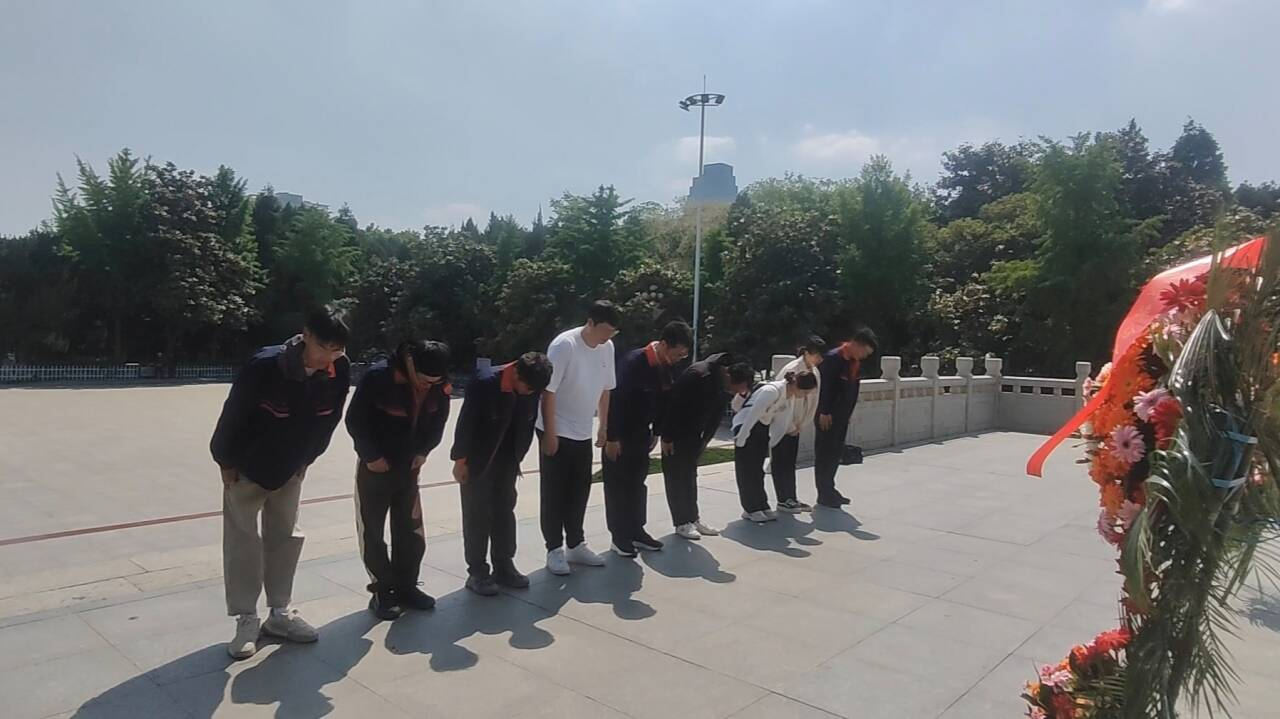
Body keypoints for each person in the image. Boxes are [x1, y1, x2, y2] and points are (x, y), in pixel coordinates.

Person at [210, 307, 351, 659]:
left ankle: (280, 613)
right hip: (247, 467)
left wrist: (308, 459)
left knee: (286, 536)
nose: (328, 359)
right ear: (306, 335)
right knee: (243, 541)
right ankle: (246, 618)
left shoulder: (339, 369)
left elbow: (330, 419)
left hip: (291, 467)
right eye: (323, 348)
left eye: (337, 350)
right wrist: (225, 461)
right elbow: (233, 415)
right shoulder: (266, 366)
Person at [345, 340, 451, 620]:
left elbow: (440, 419)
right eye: (424, 380)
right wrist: (371, 456)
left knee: (411, 530)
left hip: (409, 468)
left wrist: (424, 451)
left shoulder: (439, 384)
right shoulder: (379, 377)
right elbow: (355, 420)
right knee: (372, 531)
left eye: (435, 382)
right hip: (376, 467)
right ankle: (382, 591)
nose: (428, 386)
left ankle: (407, 586)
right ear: (411, 363)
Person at [450, 352, 553, 596]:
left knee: (505, 511)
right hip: (480, 460)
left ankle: (504, 564)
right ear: (516, 372)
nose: (529, 393)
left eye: (534, 391)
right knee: (477, 515)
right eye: (527, 387)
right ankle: (477, 571)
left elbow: (527, 422)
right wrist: (460, 461)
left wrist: (519, 458)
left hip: (508, 460)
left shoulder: (532, 386)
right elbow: (466, 423)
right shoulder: (485, 382)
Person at [538, 300, 621, 575]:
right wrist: (550, 433)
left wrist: (603, 425)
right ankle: (554, 549)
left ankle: (575, 544)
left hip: (583, 429)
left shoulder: (607, 347)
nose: (607, 337)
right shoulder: (565, 346)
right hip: (557, 426)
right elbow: (548, 392)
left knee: (579, 490)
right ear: (590, 323)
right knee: (554, 492)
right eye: (605, 331)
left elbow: (606, 389)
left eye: (612, 333)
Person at [603, 321, 692, 557]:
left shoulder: (666, 367)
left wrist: (657, 431)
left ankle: (636, 531)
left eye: (683, 356)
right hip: (620, 435)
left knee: (637, 484)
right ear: (663, 344)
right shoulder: (633, 362)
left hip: (642, 434)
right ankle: (619, 537)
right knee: (618, 487)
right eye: (677, 353)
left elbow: (665, 400)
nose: (679, 359)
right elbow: (615, 401)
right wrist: (612, 437)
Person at [661, 354, 755, 539]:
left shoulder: (722, 384)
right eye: (735, 389)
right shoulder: (699, 375)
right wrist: (666, 436)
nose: (734, 393)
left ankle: (692, 518)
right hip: (676, 434)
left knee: (689, 476)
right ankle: (681, 522)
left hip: (694, 434)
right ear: (729, 376)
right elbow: (673, 405)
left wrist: (705, 441)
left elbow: (715, 416)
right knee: (676, 477)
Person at [732, 369, 818, 523]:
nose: (805, 396)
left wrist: (790, 431)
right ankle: (751, 509)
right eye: (805, 392)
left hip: (761, 427)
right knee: (747, 470)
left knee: (757, 470)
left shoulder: (789, 396)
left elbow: (782, 421)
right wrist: (742, 438)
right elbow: (753, 414)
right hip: (745, 426)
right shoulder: (771, 391)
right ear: (797, 386)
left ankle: (761, 505)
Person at [814, 327, 878, 508]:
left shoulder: (853, 362)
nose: (865, 356)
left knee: (835, 453)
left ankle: (830, 490)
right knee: (825, 454)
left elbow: (851, 390)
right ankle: (824, 494)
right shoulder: (833, 358)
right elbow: (824, 387)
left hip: (841, 415)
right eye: (865, 352)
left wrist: (847, 414)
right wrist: (824, 411)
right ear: (856, 344)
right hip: (827, 415)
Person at [772, 336, 827, 514]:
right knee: (781, 462)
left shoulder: (815, 372)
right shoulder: (792, 370)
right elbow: (782, 400)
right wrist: (788, 425)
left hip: (797, 425)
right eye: (817, 356)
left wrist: (802, 424)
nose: (819, 360)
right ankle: (783, 499)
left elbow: (813, 400)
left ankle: (791, 497)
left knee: (790, 462)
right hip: (784, 424)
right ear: (806, 353)